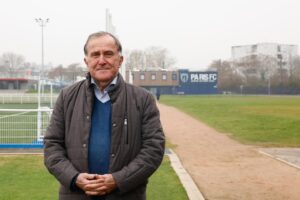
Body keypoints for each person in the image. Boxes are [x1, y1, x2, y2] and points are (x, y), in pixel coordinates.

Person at [44, 31, 165, 200]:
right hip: (76, 195)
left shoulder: (143, 99)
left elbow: (154, 148)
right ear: (87, 61)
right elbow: (52, 145)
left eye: (108, 54)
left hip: (126, 195)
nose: (102, 60)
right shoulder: (66, 97)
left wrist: (118, 180)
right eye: (95, 55)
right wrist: (74, 178)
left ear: (120, 60)